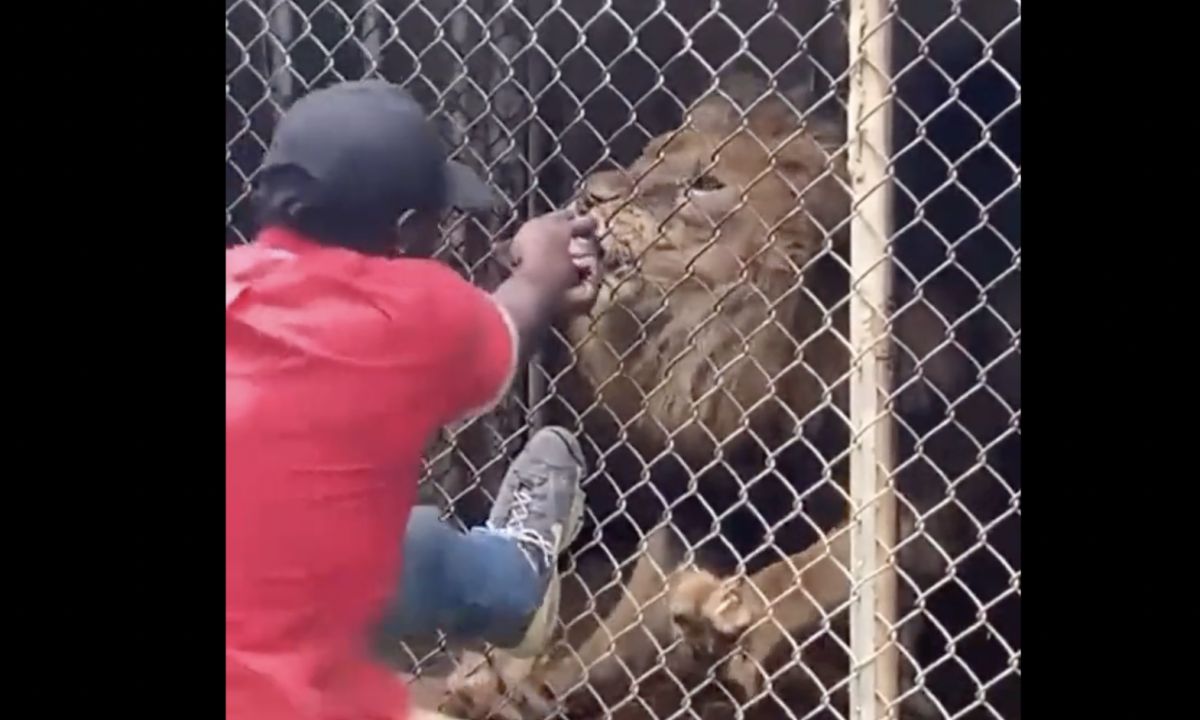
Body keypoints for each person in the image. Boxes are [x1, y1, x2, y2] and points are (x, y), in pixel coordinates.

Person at [226, 79, 601, 720]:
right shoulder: (412, 308)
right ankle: (516, 578)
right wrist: (544, 262)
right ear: (405, 228)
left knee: (377, 533)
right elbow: (523, 307)